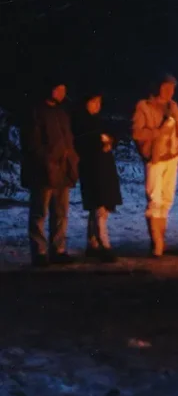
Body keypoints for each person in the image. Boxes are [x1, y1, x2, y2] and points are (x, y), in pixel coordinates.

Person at [23, 78, 79, 266]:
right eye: (59, 89)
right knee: (40, 211)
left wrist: (71, 158)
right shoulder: (37, 112)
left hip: (62, 169)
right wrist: (47, 159)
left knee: (61, 211)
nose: (62, 93)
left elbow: (68, 138)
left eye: (64, 89)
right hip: (44, 170)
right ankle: (39, 251)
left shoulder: (62, 112)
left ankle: (58, 249)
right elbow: (33, 142)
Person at [132, 74, 178, 257]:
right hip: (155, 158)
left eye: (172, 88)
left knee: (166, 199)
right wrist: (158, 133)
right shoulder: (144, 106)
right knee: (155, 198)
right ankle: (156, 242)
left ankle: (161, 242)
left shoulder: (173, 106)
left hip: (172, 156)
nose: (169, 91)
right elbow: (137, 133)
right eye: (166, 87)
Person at [72, 90, 121, 262]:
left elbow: (112, 135)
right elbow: (83, 142)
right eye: (93, 102)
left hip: (103, 167)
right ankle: (103, 243)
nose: (97, 106)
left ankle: (92, 243)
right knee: (99, 206)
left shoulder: (98, 121)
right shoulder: (81, 122)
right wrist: (99, 142)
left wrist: (109, 141)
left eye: (99, 102)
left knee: (100, 208)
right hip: (92, 168)